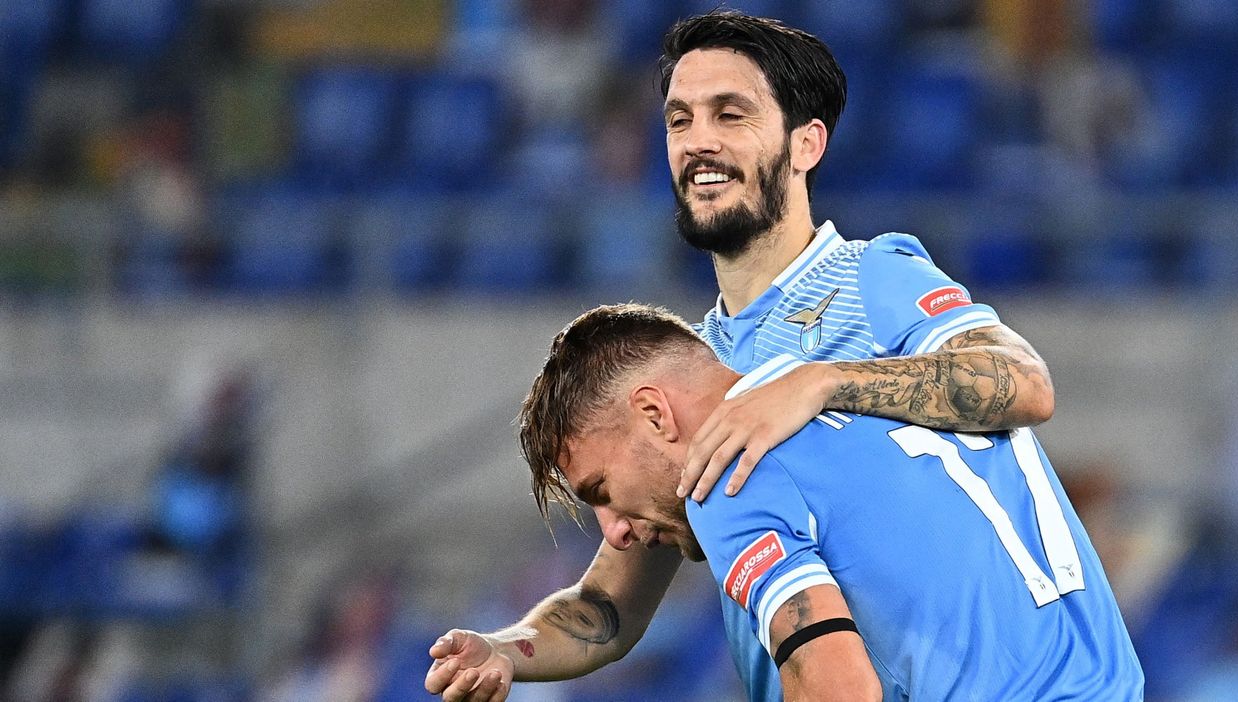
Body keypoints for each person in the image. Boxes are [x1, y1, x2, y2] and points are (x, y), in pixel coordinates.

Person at [427, 11, 1060, 701]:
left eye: (730, 115)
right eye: (679, 120)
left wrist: (818, 383)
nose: (698, 141)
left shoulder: (870, 277)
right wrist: (506, 648)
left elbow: (1025, 383)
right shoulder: (694, 371)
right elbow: (607, 608)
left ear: (806, 144)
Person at [451, 303, 1146, 700]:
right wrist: (505, 648)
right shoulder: (891, 377)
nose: (614, 532)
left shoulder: (729, 476)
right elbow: (1028, 387)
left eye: (601, 493)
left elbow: (838, 690)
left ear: (657, 415)